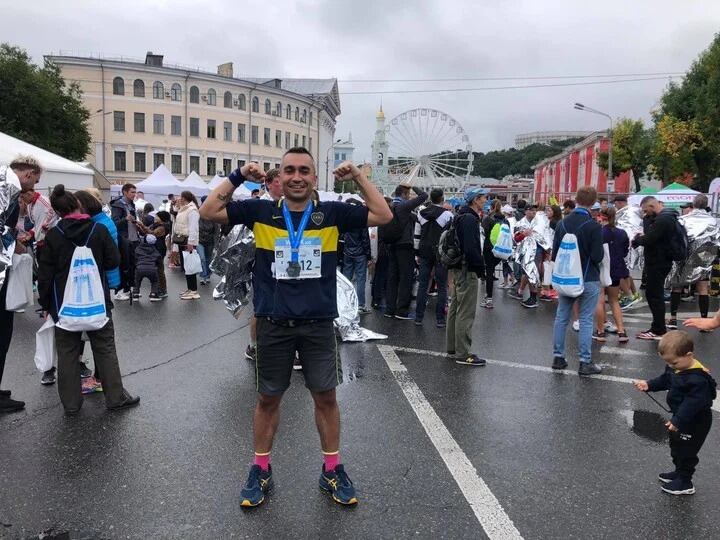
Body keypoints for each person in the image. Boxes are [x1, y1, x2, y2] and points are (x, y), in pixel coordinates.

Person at [200, 150, 392, 507]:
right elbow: (209, 210)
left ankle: (332, 469)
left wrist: (359, 177)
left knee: (326, 398)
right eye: (289, 170)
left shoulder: (331, 214)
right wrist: (240, 174)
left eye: (304, 171)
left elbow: (383, 214)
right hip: (273, 324)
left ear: (314, 179)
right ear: (280, 178)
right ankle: (260, 469)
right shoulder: (262, 211)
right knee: (267, 399)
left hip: (318, 324)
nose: (297, 176)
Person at [37, 185, 140, 415]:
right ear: (77, 205)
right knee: (105, 349)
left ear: (58, 211)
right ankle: (115, 398)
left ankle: (72, 404)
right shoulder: (98, 230)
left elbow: (44, 275)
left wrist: (45, 305)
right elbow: (114, 260)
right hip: (97, 303)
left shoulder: (54, 235)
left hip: (63, 306)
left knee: (67, 353)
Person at [633, 331, 716, 495]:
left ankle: (685, 482)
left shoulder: (698, 379)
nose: (671, 366)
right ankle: (679, 472)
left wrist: (678, 420)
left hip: (695, 421)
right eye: (667, 363)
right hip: (680, 418)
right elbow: (665, 379)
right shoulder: (677, 368)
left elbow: (693, 404)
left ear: (689, 355)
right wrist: (649, 385)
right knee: (676, 445)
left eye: (674, 362)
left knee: (687, 450)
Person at [0, 156, 43, 413]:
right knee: (2, 333)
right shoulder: (9, 186)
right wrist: (15, 243)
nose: (34, 188)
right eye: (35, 182)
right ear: (27, 173)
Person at [551, 186, 604, 376]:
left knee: (561, 316)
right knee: (586, 319)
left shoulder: (562, 223)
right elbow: (597, 256)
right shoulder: (593, 226)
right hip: (588, 277)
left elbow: (555, 253)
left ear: (576, 199)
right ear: (593, 202)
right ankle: (584, 361)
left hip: (566, 278)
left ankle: (558, 357)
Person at [446, 187, 487, 366]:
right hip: (467, 269)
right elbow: (471, 248)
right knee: (466, 311)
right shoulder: (470, 219)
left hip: (456, 267)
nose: (486, 201)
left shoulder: (459, 216)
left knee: (455, 307)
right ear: (475, 200)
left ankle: (452, 347)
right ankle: (463, 353)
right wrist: (480, 268)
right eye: (484, 198)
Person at [246, 169, 283, 363]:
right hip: (263, 265)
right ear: (268, 183)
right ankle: (253, 346)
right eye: (278, 181)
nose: (283, 185)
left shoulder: (290, 206)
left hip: (286, 266)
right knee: (260, 309)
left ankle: (288, 349)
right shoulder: (259, 206)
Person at [632, 196, 679, 340]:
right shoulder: (665, 217)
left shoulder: (663, 220)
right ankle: (657, 327)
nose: (645, 214)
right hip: (659, 261)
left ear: (652, 206)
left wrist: (636, 240)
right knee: (653, 294)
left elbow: (650, 239)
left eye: (646, 210)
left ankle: (658, 329)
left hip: (658, 262)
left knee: (654, 295)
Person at [668, 195, 717, 332]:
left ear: (693, 204)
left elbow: (676, 237)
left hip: (683, 257)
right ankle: (704, 321)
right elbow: (716, 241)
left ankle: (672, 318)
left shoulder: (683, 219)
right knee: (703, 289)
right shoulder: (712, 221)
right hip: (703, 257)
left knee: (677, 287)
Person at [382, 184, 428, 319]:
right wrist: (413, 186)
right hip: (405, 245)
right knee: (405, 278)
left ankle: (389, 309)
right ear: (403, 194)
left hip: (391, 244)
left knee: (392, 278)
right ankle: (401, 310)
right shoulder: (404, 206)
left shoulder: (389, 206)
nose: (409, 197)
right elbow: (424, 196)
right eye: (408, 194)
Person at [414, 188, 453, 326]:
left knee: (423, 285)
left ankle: (418, 317)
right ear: (442, 198)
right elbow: (450, 237)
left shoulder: (421, 213)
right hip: (440, 253)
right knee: (442, 286)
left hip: (424, 251)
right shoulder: (448, 215)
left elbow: (417, 236)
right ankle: (440, 319)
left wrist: (417, 253)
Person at [593, 208, 630, 343]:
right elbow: (625, 252)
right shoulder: (622, 233)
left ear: (601, 217)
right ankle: (621, 331)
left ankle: (600, 330)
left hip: (601, 269)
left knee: (600, 301)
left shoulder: (599, 233)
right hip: (616, 269)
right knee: (614, 301)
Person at [341, 199, 372, 313]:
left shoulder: (345, 220)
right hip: (360, 253)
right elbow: (365, 240)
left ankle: (344, 302)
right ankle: (360, 305)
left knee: (346, 278)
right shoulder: (361, 222)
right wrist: (368, 256)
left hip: (347, 252)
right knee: (360, 279)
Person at [110, 183, 139, 301]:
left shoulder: (132, 204)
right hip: (124, 239)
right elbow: (115, 223)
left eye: (135, 192)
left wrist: (136, 222)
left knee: (133, 264)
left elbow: (133, 220)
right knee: (124, 265)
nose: (134, 194)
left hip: (134, 238)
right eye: (132, 192)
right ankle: (119, 291)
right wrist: (125, 219)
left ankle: (128, 289)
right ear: (125, 192)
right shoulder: (117, 205)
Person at [480, 199, 507, 309]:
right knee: (493, 269)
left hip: (489, 248)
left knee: (489, 273)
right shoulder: (504, 220)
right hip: (501, 249)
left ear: (491, 207)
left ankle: (489, 299)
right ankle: (488, 299)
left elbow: (483, 233)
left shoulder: (488, 219)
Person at [174, 191, 201, 300]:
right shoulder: (185, 209)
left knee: (190, 266)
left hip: (187, 241)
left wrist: (191, 242)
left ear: (185, 198)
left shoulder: (192, 210)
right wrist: (176, 206)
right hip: (183, 240)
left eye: (180, 197)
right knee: (186, 266)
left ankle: (194, 290)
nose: (179, 198)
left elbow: (193, 228)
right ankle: (190, 289)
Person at [198, 196, 219, 285]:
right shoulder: (197, 213)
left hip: (210, 240)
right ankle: (203, 276)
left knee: (208, 259)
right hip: (199, 240)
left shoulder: (213, 213)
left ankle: (207, 275)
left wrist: (216, 243)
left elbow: (216, 230)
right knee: (202, 258)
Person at [133, 234, 161, 301]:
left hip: (139, 268)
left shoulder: (138, 248)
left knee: (137, 281)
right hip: (152, 269)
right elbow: (159, 260)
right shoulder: (155, 250)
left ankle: (135, 294)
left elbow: (135, 257)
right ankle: (153, 294)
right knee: (154, 281)